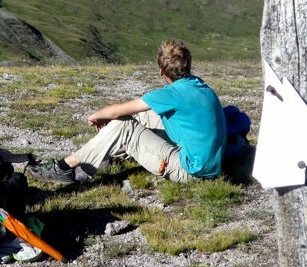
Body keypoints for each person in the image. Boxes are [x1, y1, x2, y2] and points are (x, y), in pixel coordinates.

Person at [27, 39, 226, 185]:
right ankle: (108, 153)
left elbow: (116, 111)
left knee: (124, 125)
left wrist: (97, 115)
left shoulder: (171, 94)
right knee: (142, 115)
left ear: (161, 71)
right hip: (211, 165)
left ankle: (63, 168)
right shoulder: (200, 86)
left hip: (190, 170)